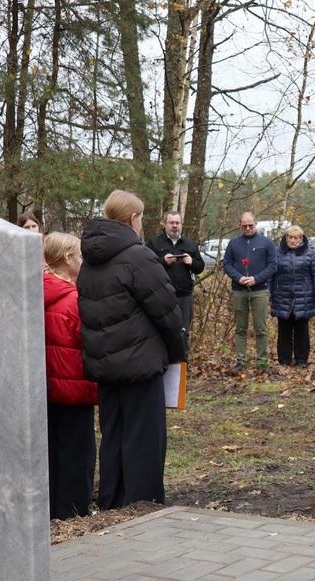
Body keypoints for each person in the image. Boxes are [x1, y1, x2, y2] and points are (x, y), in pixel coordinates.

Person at [77, 190, 185, 509]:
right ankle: (142, 503)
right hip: (139, 363)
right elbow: (166, 310)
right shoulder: (138, 257)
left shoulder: (89, 261)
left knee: (113, 435)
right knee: (144, 437)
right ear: (133, 218)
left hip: (105, 364)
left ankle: (113, 502)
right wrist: (177, 352)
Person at [42, 232, 97, 520]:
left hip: (45, 389)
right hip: (74, 387)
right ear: (67, 258)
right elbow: (88, 341)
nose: (83, 261)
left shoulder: (33, 293)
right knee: (78, 452)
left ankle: (51, 507)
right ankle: (74, 510)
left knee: (50, 452)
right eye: (80, 256)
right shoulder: (74, 300)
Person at [223, 212, 277, 371]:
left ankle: (262, 363)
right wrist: (239, 278)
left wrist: (256, 279)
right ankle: (241, 361)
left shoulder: (266, 243)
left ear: (256, 223)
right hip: (239, 290)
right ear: (239, 225)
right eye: (244, 226)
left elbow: (273, 266)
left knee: (260, 328)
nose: (247, 228)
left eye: (250, 225)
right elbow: (227, 264)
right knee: (240, 328)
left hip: (259, 291)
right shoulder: (233, 243)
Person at [146, 211, 205, 354]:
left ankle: (182, 363)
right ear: (164, 224)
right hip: (162, 296)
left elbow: (200, 267)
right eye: (171, 223)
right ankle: (164, 362)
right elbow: (145, 266)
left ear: (181, 225)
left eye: (177, 223)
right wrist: (162, 261)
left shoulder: (189, 244)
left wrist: (191, 262)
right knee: (162, 331)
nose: (174, 226)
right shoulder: (154, 243)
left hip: (184, 296)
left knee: (183, 331)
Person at [270, 225, 315, 366]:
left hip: (304, 297)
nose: (293, 240)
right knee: (284, 330)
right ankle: (284, 360)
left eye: (296, 238)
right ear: (286, 238)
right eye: (290, 237)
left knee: (302, 331)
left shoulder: (309, 254)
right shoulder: (277, 253)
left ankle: (301, 360)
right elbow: (271, 276)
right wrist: (270, 295)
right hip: (282, 296)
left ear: (301, 239)